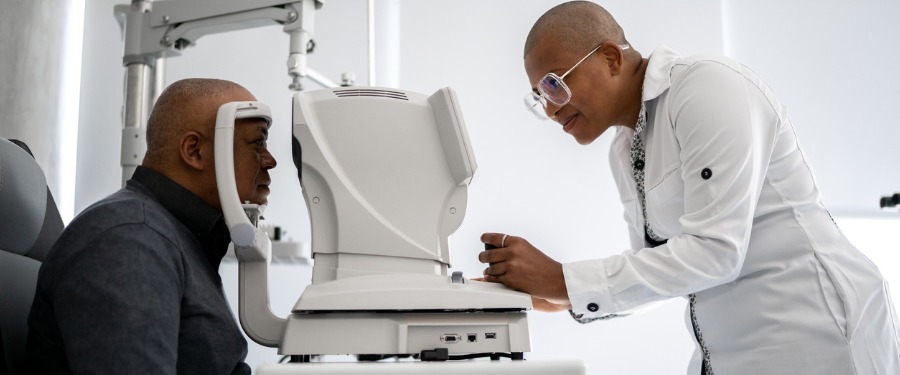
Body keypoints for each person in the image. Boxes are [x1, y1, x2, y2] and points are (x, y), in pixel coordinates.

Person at [477, 2, 900, 374]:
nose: (551, 109)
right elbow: (663, 268)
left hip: (814, 334)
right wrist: (567, 295)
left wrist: (566, 280)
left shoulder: (704, 86)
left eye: (554, 83)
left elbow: (716, 252)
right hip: (730, 350)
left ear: (609, 57)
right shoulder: (625, 149)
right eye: (539, 96)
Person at [25, 78, 277, 374]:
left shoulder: (177, 240)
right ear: (195, 151)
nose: (270, 161)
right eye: (258, 142)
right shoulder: (128, 240)